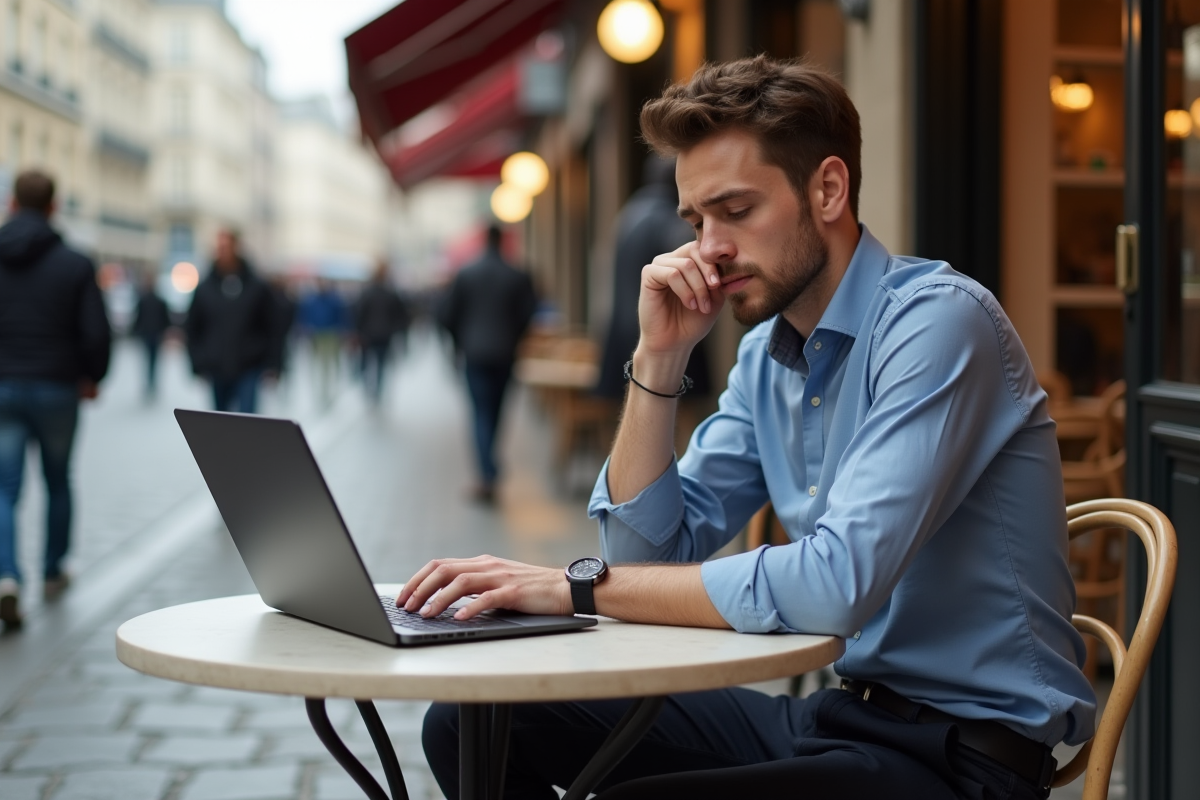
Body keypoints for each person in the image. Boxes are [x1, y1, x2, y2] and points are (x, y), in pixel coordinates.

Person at [405, 57, 1095, 799]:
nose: (707, 248)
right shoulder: (768, 357)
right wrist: (660, 357)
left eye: (735, 212)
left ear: (828, 189)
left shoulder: (937, 323)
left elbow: (836, 584)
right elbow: (642, 553)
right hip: (839, 718)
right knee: (475, 722)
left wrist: (570, 589)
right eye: (696, 221)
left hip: (965, 759)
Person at [0, 169, 112, 626]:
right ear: (53, 206)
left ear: (11, 203)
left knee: (4, 487)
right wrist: (93, 376)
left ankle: (6, 575)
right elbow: (95, 331)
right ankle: (52, 570)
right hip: (58, 387)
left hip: (3, 385)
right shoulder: (76, 262)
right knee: (58, 479)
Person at [596, 154, 710, 402]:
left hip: (623, 330)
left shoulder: (628, 214)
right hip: (660, 327)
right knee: (675, 409)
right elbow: (693, 264)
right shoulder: (669, 219)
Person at [436, 224, 536, 503]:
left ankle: (486, 474)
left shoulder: (467, 273)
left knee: (480, 412)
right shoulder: (516, 274)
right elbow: (529, 312)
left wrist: (460, 341)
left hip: (475, 353)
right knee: (497, 411)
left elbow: (446, 314)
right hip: (505, 353)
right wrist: (514, 337)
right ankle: (489, 469)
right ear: (502, 240)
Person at [184, 229, 280, 414]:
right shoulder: (205, 287)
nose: (222, 251)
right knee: (221, 421)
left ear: (237, 247)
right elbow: (192, 327)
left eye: (226, 246)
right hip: (216, 366)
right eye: (219, 247)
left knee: (246, 420)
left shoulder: (257, 286)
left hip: (249, 365)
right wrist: (197, 362)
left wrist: (273, 364)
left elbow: (273, 327)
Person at [355, 260, 410, 404]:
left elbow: (359, 313)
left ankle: (368, 388)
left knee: (367, 362)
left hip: (368, 334)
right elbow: (401, 315)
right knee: (381, 363)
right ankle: (377, 390)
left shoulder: (367, 292)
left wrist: (358, 330)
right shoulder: (390, 293)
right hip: (385, 334)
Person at [298, 277, 348, 410]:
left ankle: (329, 389)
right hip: (316, 334)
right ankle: (320, 390)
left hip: (330, 334)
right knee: (317, 364)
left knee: (328, 364)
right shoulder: (311, 299)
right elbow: (304, 317)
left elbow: (342, 317)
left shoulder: (334, 299)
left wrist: (341, 332)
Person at [131, 272, 171, 400]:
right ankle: (151, 384)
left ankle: (150, 384)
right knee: (152, 361)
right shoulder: (157, 300)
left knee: (149, 360)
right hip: (153, 334)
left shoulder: (146, 300)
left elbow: (138, 318)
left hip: (150, 334)